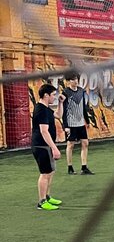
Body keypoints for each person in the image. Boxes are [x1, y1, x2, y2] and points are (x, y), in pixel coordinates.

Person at [31, 83, 62, 211]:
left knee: (51, 171)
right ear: (46, 95)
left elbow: (58, 116)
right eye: (53, 95)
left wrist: (61, 103)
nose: (54, 97)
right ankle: (42, 202)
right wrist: (54, 148)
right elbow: (44, 131)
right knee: (45, 173)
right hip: (41, 146)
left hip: (46, 145)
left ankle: (47, 197)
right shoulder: (41, 110)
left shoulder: (46, 108)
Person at [61, 73, 96, 175]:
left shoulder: (81, 91)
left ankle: (84, 167)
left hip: (81, 123)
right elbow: (63, 110)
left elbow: (83, 107)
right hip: (71, 124)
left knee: (85, 143)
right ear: (68, 81)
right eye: (73, 79)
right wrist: (66, 126)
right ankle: (70, 167)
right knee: (70, 145)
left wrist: (87, 121)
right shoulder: (65, 92)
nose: (75, 81)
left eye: (76, 79)